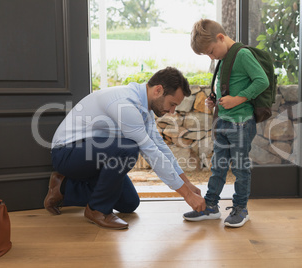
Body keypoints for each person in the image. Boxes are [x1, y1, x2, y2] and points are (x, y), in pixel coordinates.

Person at [44, 67, 206, 230]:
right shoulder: (126, 103)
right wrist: (187, 196)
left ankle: (63, 187)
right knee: (128, 149)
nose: (172, 111)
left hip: (91, 155)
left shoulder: (145, 109)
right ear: (158, 90)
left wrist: (188, 184)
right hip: (66, 152)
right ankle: (97, 210)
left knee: (129, 203)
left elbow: (160, 147)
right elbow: (151, 153)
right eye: (172, 104)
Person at [183, 19, 269, 227]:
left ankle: (241, 208)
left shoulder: (242, 55)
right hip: (222, 121)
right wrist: (216, 99)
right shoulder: (224, 58)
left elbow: (262, 81)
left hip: (240, 123)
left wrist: (238, 99)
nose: (211, 57)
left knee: (240, 168)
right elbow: (229, 85)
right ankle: (211, 206)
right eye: (207, 55)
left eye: (211, 51)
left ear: (221, 38)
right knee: (218, 166)